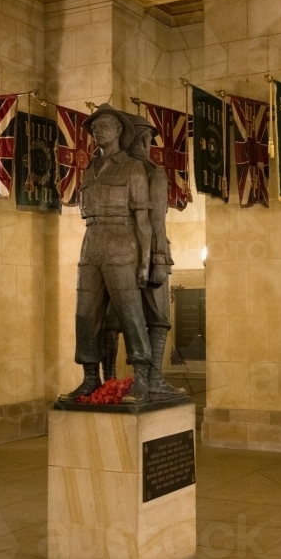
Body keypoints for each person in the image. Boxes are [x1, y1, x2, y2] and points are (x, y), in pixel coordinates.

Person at [57, 104, 153, 404]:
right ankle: (89, 378)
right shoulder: (89, 168)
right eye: (95, 127)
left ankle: (141, 379)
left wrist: (145, 261)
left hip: (123, 241)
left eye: (105, 126)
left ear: (119, 131)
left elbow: (143, 220)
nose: (98, 130)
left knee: (130, 312)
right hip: (91, 241)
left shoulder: (133, 167)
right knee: (85, 313)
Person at [102, 115, 187, 404]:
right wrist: (160, 257)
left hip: (115, 254)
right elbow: (156, 220)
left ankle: (109, 380)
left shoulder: (113, 169)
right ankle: (152, 380)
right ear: (143, 139)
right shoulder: (151, 171)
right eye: (149, 139)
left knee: (111, 319)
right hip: (147, 253)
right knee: (158, 319)